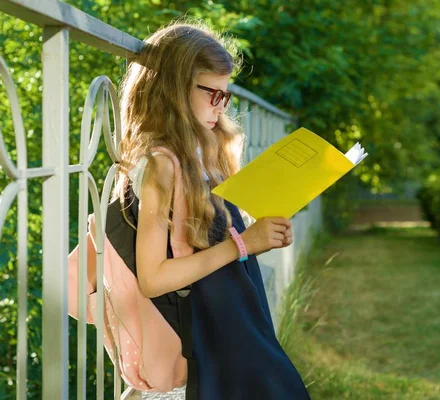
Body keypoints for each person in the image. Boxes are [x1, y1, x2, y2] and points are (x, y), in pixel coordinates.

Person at [113, 20, 312, 400]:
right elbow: (152, 277)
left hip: (239, 322)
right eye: (212, 95)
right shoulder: (162, 164)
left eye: (226, 96)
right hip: (210, 339)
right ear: (172, 89)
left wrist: (258, 234)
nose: (221, 109)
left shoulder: (206, 153)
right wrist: (243, 245)